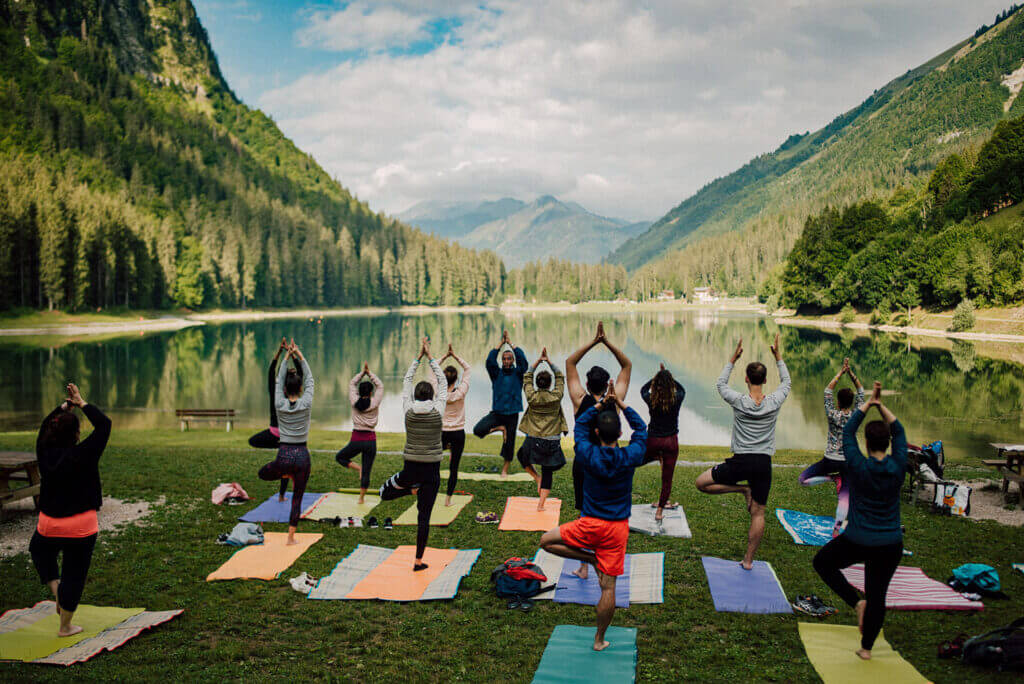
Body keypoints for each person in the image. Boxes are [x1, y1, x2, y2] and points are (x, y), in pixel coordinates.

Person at [539, 381, 647, 652]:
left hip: (588, 525)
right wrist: (620, 402)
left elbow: (580, 427)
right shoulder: (630, 455)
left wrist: (599, 404)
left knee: (545, 541)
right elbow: (642, 430)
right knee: (608, 589)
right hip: (617, 530)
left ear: (597, 431)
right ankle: (599, 639)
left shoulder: (586, 453)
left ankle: (590, 558)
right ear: (620, 431)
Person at [813, 381, 906, 661]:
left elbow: (849, 429)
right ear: (888, 443)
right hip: (890, 543)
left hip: (858, 539)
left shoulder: (856, 464)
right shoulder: (899, 464)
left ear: (866, 442)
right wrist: (880, 404)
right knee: (878, 595)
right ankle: (866, 649)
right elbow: (899, 430)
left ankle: (856, 602)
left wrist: (867, 405)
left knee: (822, 563)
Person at [696, 332, 790, 570]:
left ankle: (741, 489)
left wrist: (733, 358)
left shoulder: (739, 401)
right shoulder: (774, 401)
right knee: (758, 514)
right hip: (762, 464)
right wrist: (778, 357)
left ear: (747, 379)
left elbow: (720, 384)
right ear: (765, 380)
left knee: (701, 483)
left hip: (741, 462)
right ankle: (748, 561)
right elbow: (787, 382)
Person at [31, 382, 111, 637]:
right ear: (76, 434)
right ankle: (65, 626)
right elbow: (104, 425)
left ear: (51, 434)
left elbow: (45, 424)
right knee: (74, 576)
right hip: (81, 526)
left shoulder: (43, 452)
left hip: (50, 524)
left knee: (39, 550)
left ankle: (57, 592)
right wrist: (81, 402)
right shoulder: (85, 452)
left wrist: (64, 407)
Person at [379, 337, 447, 571]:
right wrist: (431, 358)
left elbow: (406, 381)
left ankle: (410, 490)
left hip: (410, 468)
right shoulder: (438, 410)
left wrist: (419, 358)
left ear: (416, 396)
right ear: (431, 396)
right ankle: (418, 561)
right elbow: (443, 383)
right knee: (424, 518)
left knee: (383, 493)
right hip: (432, 471)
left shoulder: (408, 410)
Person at [566, 321, 633, 514]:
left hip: (585, 460)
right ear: (607, 384)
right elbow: (626, 365)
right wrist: (607, 343)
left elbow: (570, 362)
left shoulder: (579, 398)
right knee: (610, 502)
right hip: (610, 459)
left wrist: (594, 342)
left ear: (586, 383)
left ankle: (585, 535)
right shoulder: (615, 400)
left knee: (585, 507)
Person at [799, 357, 864, 536]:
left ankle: (831, 478)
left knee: (803, 480)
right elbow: (861, 391)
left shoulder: (832, 414)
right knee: (845, 497)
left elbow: (828, 390)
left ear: (838, 402)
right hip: (848, 461)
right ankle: (836, 531)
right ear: (851, 403)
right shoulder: (856, 415)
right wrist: (851, 373)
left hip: (830, 460)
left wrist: (840, 373)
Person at [258, 339, 313, 545]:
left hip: (284, 454)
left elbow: (278, 380)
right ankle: (291, 537)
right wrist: (299, 356)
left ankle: (284, 472)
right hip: (302, 455)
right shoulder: (306, 402)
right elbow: (310, 380)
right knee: (297, 498)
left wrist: (286, 358)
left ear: (284, 389)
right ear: (300, 388)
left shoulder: (279, 403)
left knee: (263, 473)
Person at [517, 347, 568, 511]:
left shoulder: (532, 397)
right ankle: (540, 504)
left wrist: (538, 361)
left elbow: (527, 377)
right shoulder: (556, 397)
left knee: (521, 456)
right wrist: (549, 361)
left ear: (537, 384)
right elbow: (560, 376)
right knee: (548, 471)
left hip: (535, 438)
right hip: (552, 440)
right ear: (550, 384)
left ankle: (535, 477)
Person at [472, 329, 527, 478]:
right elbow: (490, 361)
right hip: (497, 413)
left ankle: (505, 470)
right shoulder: (496, 374)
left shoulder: (518, 373)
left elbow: (524, 361)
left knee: (509, 443)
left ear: (513, 360)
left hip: (512, 414)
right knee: (478, 430)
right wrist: (501, 344)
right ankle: (500, 428)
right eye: (504, 359)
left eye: (510, 359)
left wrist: (511, 344)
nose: (507, 361)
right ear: (502, 361)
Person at [640, 364, 686, 521]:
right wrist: (670, 378)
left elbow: (642, 391)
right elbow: (682, 391)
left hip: (653, 440)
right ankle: (659, 511)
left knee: (634, 461)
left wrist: (656, 378)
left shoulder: (651, 400)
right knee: (667, 478)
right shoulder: (677, 399)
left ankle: (656, 457)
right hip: (671, 442)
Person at [335, 363, 384, 504]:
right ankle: (361, 498)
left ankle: (358, 468)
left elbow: (352, 384)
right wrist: (370, 373)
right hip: (370, 441)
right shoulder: (375, 402)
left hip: (356, 439)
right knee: (367, 471)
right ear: (370, 393)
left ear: (359, 392)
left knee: (340, 457)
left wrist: (362, 373)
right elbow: (380, 386)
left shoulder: (354, 401)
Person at [248, 338, 301, 449]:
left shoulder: (275, 393)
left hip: (275, 433)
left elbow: (271, 370)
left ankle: (281, 446)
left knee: (252, 441)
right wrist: (292, 353)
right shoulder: (294, 392)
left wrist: (279, 351)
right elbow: (300, 371)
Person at [435, 344, 470, 507]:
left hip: (441, 433)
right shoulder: (460, 392)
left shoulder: (437, 391)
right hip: (457, 433)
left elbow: (432, 368)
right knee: (453, 467)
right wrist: (455, 356)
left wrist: (444, 356)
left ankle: (431, 492)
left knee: (434, 464)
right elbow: (468, 369)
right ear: (456, 379)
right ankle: (448, 499)